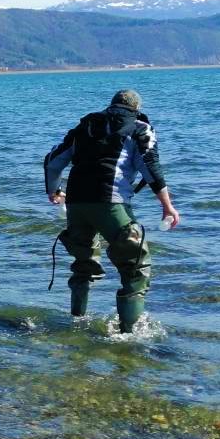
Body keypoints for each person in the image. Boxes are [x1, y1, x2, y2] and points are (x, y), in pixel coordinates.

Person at [43, 88, 179, 332]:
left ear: (112, 105)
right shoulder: (139, 128)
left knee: (83, 264)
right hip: (111, 203)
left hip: (76, 205)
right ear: (136, 109)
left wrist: (54, 191)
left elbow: (53, 161)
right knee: (135, 266)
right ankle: (129, 334)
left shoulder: (85, 126)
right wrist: (167, 206)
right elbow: (150, 167)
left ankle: (76, 321)